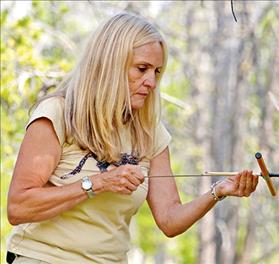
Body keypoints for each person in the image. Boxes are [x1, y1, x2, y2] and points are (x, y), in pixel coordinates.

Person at [6, 12, 259, 264]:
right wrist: (98, 183)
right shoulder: (57, 114)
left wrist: (218, 191)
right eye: (142, 69)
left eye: (157, 72)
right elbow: (18, 207)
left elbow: (170, 220)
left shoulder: (150, 132)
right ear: (111, 64)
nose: (151, 82)